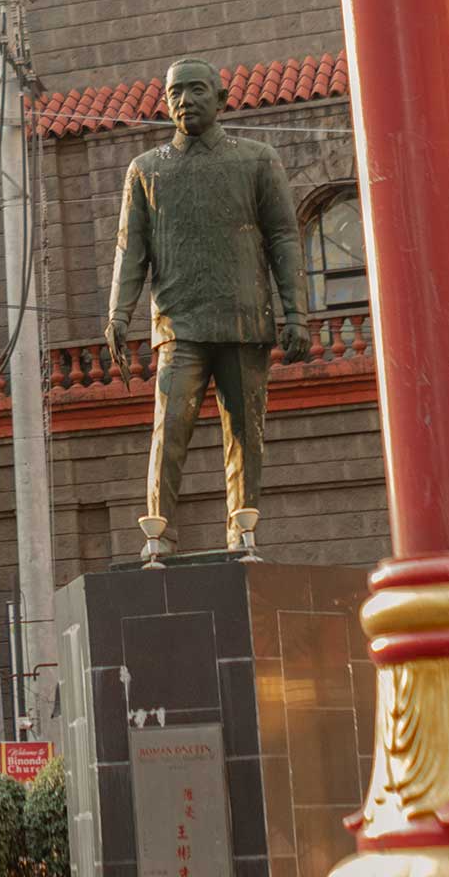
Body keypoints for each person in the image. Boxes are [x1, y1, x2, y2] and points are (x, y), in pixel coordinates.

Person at [105, 56, 309, 552]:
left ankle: (243, 528)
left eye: (196, 91)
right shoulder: (147, 169)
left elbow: (284, 236)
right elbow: (130, 248)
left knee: (245, 434)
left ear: (220, 100)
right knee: (169, 427)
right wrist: (118, 313)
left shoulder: (256, 159)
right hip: (179, 322)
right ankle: (159, 532)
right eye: (175, 93)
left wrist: (296, 313)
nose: (184, 101)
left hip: (245, 318)